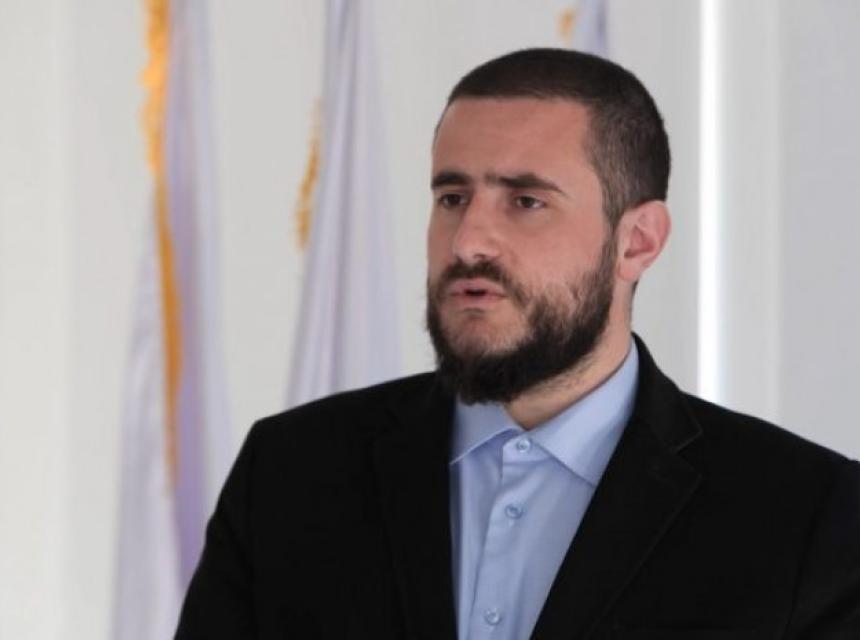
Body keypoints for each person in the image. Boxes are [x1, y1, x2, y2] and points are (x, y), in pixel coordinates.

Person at [175, 49, 860, 639]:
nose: (468, 241)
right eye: (452, 197)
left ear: (637, 241)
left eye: (526, 201)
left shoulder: (808, 515)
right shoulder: (290, 474)